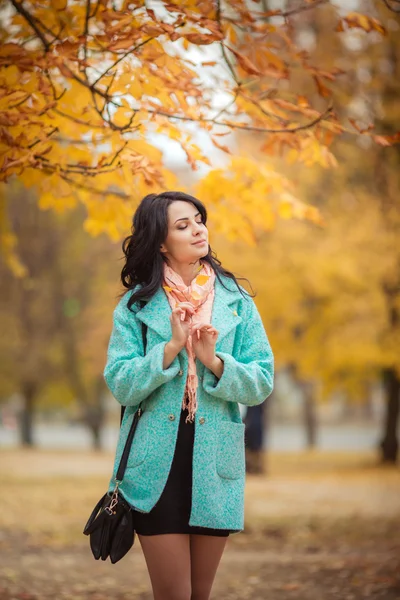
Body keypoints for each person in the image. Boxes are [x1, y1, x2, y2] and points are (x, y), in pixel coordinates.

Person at [103, 191, 274, 600]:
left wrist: (215, 362)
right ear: (161, 242)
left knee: (201, 595)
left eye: (199, 220)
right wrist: (170, 349)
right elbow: (120, 382)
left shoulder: (236, 300)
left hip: (215, 465)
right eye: (183, 225)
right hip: (153, 468)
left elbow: (262, 380)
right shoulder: (135, 306)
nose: (198, 229)